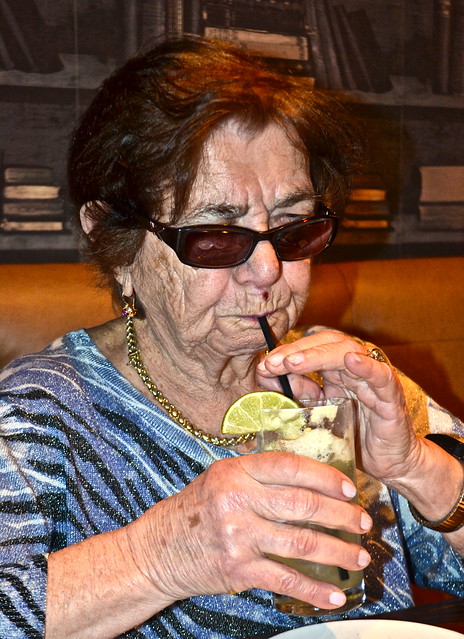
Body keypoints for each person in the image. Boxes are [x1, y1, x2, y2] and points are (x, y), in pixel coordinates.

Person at [0, 35, 463, 639]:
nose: (269, 270)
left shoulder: (342, 375)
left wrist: (418, 466)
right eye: (216, 236)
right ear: (114, 242)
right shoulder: (39, 413)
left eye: (294, 228)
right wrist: (160, 558)